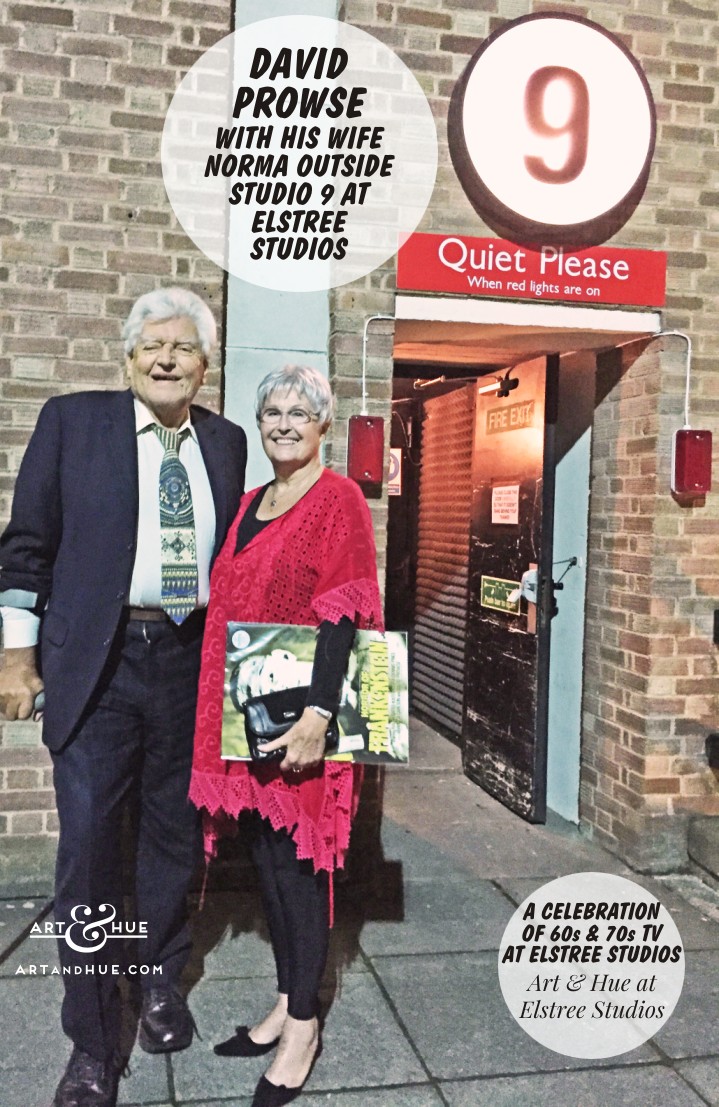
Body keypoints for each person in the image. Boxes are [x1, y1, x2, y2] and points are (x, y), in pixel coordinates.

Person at [0, 288, 247, 1107]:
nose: (167, 357)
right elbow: (25, 550)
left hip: (186, 658)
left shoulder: (225, 442)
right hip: (96, 668)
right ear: (128, 355)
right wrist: (15, 657)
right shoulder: (74, 424)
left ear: (204, 365)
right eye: (152, 345)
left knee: (174, 838)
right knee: (91, 855)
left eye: (183, 346)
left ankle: (162, 981)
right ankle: (93, 1045)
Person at [190, 365, 383, 1107]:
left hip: (301, 717)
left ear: (324, 423)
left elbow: (342, 610)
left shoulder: (337, 500)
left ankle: (303, 1026)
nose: (283, 423)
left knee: (302, 872)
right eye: (272, 410)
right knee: (269, 863)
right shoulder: (248, 504)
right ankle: (283, 1000)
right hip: (250, 713)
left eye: (299, 412)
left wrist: (318, 717)